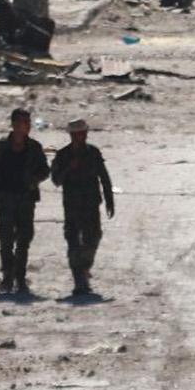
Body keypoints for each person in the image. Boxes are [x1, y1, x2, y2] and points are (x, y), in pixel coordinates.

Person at [0, 107, 50, 295]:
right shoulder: (1, 146)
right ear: (13, 125)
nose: (24, 127)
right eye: (21, 123)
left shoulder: (34, 147)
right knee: (5, 239)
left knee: (24, 239)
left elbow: (45, 170)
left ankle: (20, 278)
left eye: (27, 123)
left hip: (26, 199)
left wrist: (33, 180)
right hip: (5, 198)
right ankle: (7, 276)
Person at [50, 117, 114, 296]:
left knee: (93, 238)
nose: (81, 137)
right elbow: (56, 180)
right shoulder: (62, 155)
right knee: (73, 242)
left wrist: (109, 199)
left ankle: (85, 269)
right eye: (77, 134)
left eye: (83, 133)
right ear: (71, 135)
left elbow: (104, 176)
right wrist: (68, 168)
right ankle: (80, 279)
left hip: (91, 203)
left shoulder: (93, 152)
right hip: (72, 205)